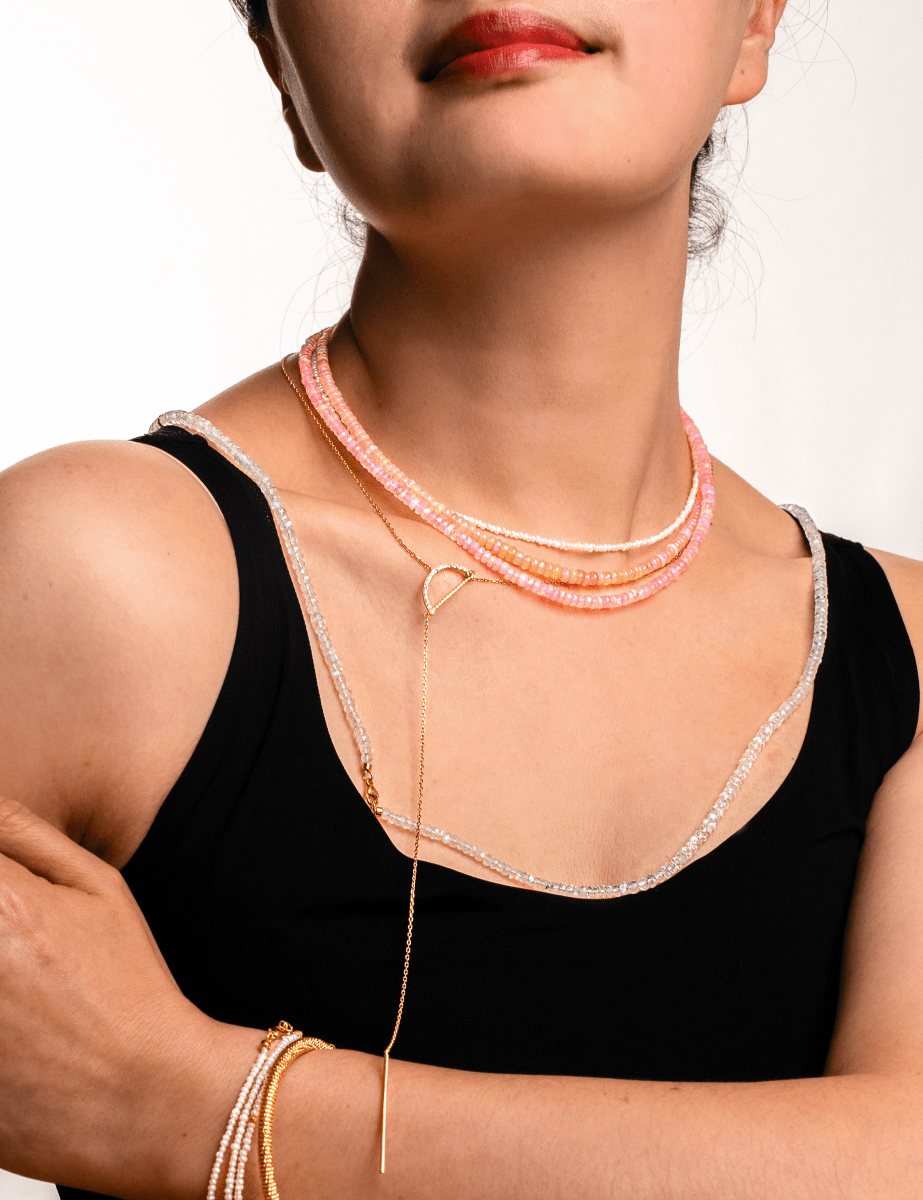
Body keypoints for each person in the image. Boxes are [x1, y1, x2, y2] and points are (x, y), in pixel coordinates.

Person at [1, 0, 922, 1197]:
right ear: (277, 59)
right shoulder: (90, 576)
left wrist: (189, 1107)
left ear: (751, 26)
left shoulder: (901, 657)